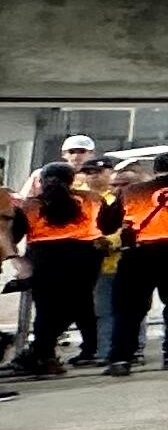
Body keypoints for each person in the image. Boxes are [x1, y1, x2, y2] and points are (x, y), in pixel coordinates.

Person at [101, 152, 168, 375]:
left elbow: (107, 224)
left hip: (141, 254)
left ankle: (121, 359)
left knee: (128, 309)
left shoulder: (134, 191)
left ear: (155, 170)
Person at [11, 155, 105, 376]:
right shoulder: (92, 199)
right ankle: (45, 353)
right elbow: (109, 226)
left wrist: (18, 261)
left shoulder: (29, 205)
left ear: (42, 181)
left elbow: (14, 235)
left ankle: (42, 354)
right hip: (84, 259)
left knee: (46, 310)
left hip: (44, 260)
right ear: (72, 180)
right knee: (79, 305)